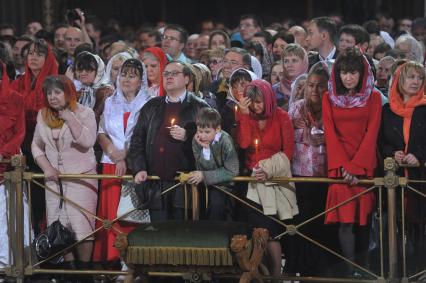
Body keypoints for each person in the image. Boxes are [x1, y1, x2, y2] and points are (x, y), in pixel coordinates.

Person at [322, 48, 382, 277]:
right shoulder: (329, 97)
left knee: (364, 222)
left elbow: (372, 133)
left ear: (362, 73)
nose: (348, 77)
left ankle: (364, 268)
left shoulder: (374, 96)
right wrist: (344, 167)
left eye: (353, 73)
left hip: (364, 168)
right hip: (339, 169)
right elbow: (330, 134)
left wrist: (357, 167)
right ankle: (350, 271)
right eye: (344, 73)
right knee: (344, 222)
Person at [31, 75, 98, 276]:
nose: (52, 96)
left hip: (81, 178)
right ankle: (70, 273)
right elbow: (36, 144)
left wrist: (69, 117)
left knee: (82, 227)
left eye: (57, 92)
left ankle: (85, 273)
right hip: (53, 182)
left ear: (68, 93)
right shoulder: (42, 115)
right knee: (59, 227)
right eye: (49, 92)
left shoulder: (85, 113)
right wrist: (47, 168)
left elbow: (88, 141)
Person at [127, 61, 209, 221]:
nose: (168, 77)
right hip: (156, 185)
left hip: (186, 186)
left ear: (187, 79)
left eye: (174, 73)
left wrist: (188, 136)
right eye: (166, 74)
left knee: (182, 237)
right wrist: (139, 169)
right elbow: (137, 140)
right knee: (158, 236)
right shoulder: (151, 107)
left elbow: (214, 144)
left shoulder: (200, 108)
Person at [93, 59, 151, 264]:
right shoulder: (110, 101)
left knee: (130, 215)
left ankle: (131, 263)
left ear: (140, 80)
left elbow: (144, 136)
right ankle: (110, 261)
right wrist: (112, 151)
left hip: (135, 166)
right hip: (110, 163)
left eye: (132, 75)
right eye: (123, 74)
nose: (126, 79)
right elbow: (101, 132)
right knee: (109, 216)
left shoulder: (148, 103)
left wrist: (125, 156)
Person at [237, 79, 296, 280]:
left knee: (272, 232)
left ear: (269, 98)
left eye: (259, 101)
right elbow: (244, 143)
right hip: (252, 183)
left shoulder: (282, 117)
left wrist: (268, 169)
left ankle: (276, 275)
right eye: (252, 102)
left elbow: (288, 152)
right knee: (256, 232)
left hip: (274, 181)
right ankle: (258, 274)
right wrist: (244, 116)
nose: (256, 106)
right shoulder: (246, 115)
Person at [380, 61, 426, 272]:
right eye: (411, 77)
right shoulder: (388, 110)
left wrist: (421, 158)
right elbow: (381, 142)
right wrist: (393, 153)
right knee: (395, 228)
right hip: (395, 180)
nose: (416, 81)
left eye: (420, 78)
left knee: (420, 229)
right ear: (399, 81)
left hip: (421, 179)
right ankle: (396, 272)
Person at [287, 63, 330, 275]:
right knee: (300, 224)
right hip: (299, 175)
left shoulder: (332, 108)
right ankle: (299, 269)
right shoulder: (296, 108)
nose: (314, 90)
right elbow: (287, 139)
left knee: (320, 224)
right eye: (311, 85)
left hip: (325, 176)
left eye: (320, 86)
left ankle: (318, 271)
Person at [0, 61, 30, 269]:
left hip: (8, 166)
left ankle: (8, 264)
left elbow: (20, 131)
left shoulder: (15, 99)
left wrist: (3, 154)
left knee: (8, 215)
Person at [188, 108, 239, 220]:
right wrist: (205, 149)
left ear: (217, 129)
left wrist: (204, 175)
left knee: (217, 207)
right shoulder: (196, 140)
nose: (202, 136)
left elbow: (232, 171)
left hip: (226, 188)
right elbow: (200, 167)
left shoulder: (225, 141)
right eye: (200, 131)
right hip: (206, 186)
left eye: (207, 132)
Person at [73, 51, 113, 123]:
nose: (83, 73)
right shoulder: (80, 92)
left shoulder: (107, 92)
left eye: (88, 70)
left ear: (98, 71)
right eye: (80, 69)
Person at [273, 43, 309, 110]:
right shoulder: (274, 90)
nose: (290, 65)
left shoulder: (312, 88)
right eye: (286, 61)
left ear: (304, 63)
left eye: (294, 60)